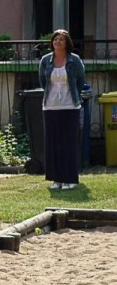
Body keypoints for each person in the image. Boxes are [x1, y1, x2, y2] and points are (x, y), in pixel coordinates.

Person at [40, 30, 86, 191]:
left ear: (67, 43)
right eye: (55, 39)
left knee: (68, 143)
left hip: (70, 106)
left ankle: (70, 179)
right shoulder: (46, 60)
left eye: (61, 40)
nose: (58, 42)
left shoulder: (75, 60)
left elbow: (80, 80)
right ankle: (56, 179)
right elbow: (43, 82)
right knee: (53, 144)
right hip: (50, 106)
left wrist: (74, 96)